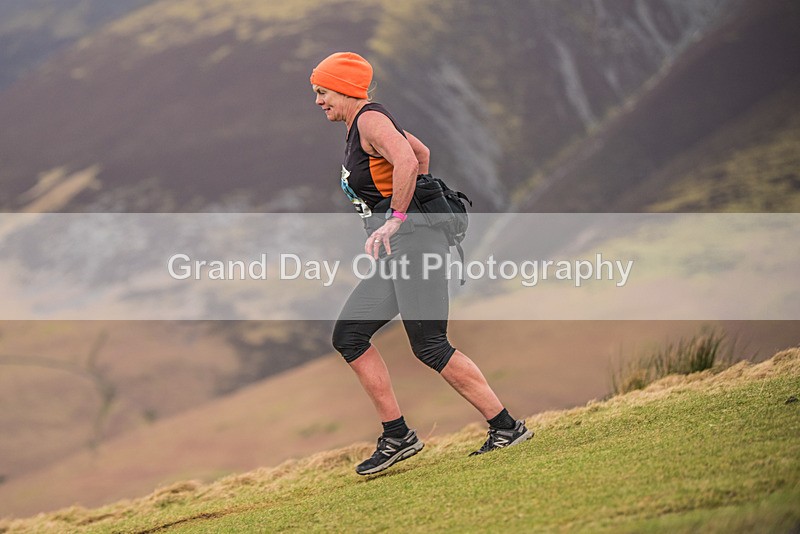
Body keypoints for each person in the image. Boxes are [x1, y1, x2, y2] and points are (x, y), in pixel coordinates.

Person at [310, 52, 532, 475]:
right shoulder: (362, 125)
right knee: (350, 335)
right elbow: (421, 151)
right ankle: (398, 435)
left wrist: (398, 218)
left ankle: (506, 427)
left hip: (414, 244)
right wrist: (410, 207)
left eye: (323, 92)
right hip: (403, 247)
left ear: (345, 88)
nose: (319, 101)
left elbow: (409, 160)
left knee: (429, 343)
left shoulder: (370, 120)